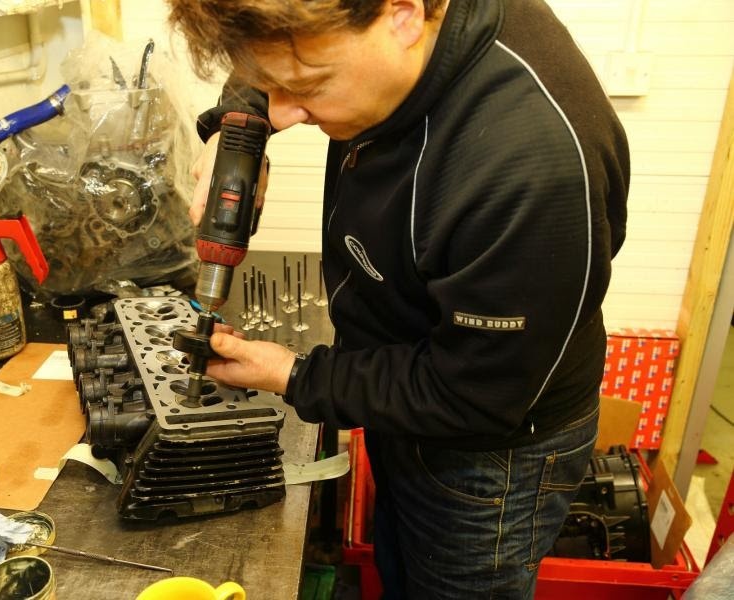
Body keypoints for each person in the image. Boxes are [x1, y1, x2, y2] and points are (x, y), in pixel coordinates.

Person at [167, 0, 629, 598]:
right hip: (400, 389)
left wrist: (294, 374)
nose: (286, 111)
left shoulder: (529, 170)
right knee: (398, 567)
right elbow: (272, 41)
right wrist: (241, 123)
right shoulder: (377, 34)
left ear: (404, 15)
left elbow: (471, 397)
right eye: (272, 85)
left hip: (487, 458)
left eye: (306, 87)